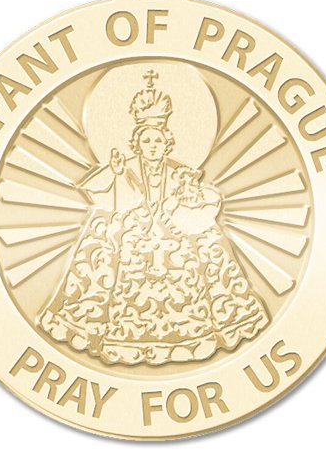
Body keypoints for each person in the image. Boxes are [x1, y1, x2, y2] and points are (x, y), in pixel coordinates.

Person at [37, 70, 269, 365]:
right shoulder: (125, 167)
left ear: (167, 142)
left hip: (174, 238)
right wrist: (118, 175)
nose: (152, 146)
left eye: (157, 140)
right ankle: (96, 320)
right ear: (137, 143)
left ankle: (209, 322)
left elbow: (197, 203)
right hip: (133, 234)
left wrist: (188, 197)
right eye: (146, 140)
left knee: (209, 239)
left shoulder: (180, 171)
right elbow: (111, 200)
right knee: (103, 230)